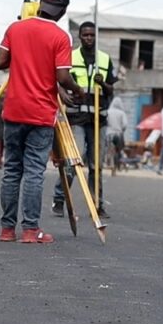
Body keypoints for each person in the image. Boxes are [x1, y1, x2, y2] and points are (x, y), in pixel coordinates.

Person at [0, 0, 84, 243]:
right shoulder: (60, 37)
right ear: (63, 10)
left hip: (14, 110)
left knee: (12, 170)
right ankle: (31, 230)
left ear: (41, 3)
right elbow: (62, 76)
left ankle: (7, 230)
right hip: (41, 114)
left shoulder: (15, 28)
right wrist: (77, 90)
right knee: (33, 171)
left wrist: (21, 57)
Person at [52, 21, 117, 219]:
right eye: (85, 35)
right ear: (80, 37)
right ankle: (60, 198)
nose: (89, 38)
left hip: (98, 118)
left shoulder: (104, 60)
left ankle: (96, 204)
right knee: (75, 159)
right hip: (77, 117)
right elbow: (57, 80)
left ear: (96, 37)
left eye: (92, 35)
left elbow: (111, 89)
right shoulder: (71, 57)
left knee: (96, 165)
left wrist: (102, 83)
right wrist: (62, 93)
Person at [105, 96, 128, 175]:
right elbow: (125, 125)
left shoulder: (108, 112)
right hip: (118, 134)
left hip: (109, 134)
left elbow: (105, 122)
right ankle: (117, 165)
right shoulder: (122, 113)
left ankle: (111, 165)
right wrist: (121, 129)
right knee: (118, 151)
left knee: (110, 150)